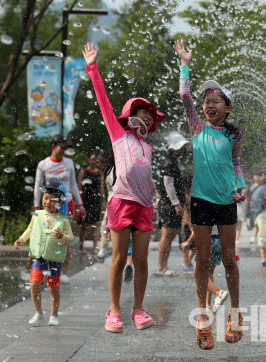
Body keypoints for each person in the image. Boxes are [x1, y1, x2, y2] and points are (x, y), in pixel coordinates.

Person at [84, 42, 164, 333]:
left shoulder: (148, 147)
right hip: (121, 202)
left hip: (143, 206)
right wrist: (92, 67)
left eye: (150, 115)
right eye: (142, 112)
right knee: (119, 258)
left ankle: (138, 308)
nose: (147, 117)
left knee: (141, 260)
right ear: (131, 115)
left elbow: (145, 176)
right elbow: (103, 101)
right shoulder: (119, 135)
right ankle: (114, 310)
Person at [175, 40, 247, 350]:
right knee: (202, 261)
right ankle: (203, 318)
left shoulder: (233, 134)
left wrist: (241, 186)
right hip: (202, 200)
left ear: (227, 107)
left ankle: (235, 314)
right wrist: (184, 64)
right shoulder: (197, 128)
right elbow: (183, 96)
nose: (209, 104)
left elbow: (236, 164)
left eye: (216, 100)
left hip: (227, 202)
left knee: (229, 260)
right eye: (206, 100)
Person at [14, 183, 74, 326]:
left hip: (54, 259)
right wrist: (21, 239)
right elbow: (30, 229)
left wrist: (62, 236)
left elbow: (70, 237)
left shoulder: (63, 219)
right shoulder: (38, 215)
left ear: (60, 203)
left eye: (53, 200)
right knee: (34, 283)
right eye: (46, 198)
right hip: (39, 257)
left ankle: (54, 314)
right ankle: (38, 312)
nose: (48, 202)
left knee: (53, 288)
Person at [33, 135, 85, 284]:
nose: (63, 150)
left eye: (65, 147)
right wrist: (37, 207)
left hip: (66, 204)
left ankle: (63, 272)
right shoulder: (43, 164)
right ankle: (43, 268)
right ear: (53, 146)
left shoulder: (69, 162)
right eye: (61, 147)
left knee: (64, 238)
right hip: (50, 205)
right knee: (47, 237)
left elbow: (74, 184)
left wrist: (79, 204)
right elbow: (37, 186)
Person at [155, 132, 189, 276]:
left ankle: (164, 266)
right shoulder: (168, 162)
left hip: (171, 204)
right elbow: (168, 185)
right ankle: (161, 267)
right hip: (168, 205)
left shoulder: (174, 161)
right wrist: (176, 203)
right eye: (181, 147)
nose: (184, 149)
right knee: (167, 236)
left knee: (170, 235)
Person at [181, 226, 229, 313]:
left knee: (197, 272)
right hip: (219, 241)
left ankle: (218, 293)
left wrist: (188, 242)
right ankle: (208, 305)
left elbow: (198, 226)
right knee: (209, 273)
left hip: (208, 240)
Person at [77, 151, 105, 255]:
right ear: (89, 160)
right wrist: (78, 202)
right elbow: (79, 186)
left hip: (96, 201)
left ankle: (95, 247)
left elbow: (101, 188)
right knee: (84, 225)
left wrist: (103, 201)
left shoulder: (99, 173)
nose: (93, 161)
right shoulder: (83, 172)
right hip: (85, 201)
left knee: (96, 224)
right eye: (91, 159)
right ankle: (82, 246)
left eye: (95, 159)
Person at [254, 198, 266, 267]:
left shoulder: (259, 216)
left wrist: (254, 236)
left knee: (263, 248)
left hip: (262, 235)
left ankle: (263, 260)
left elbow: (256, 227)